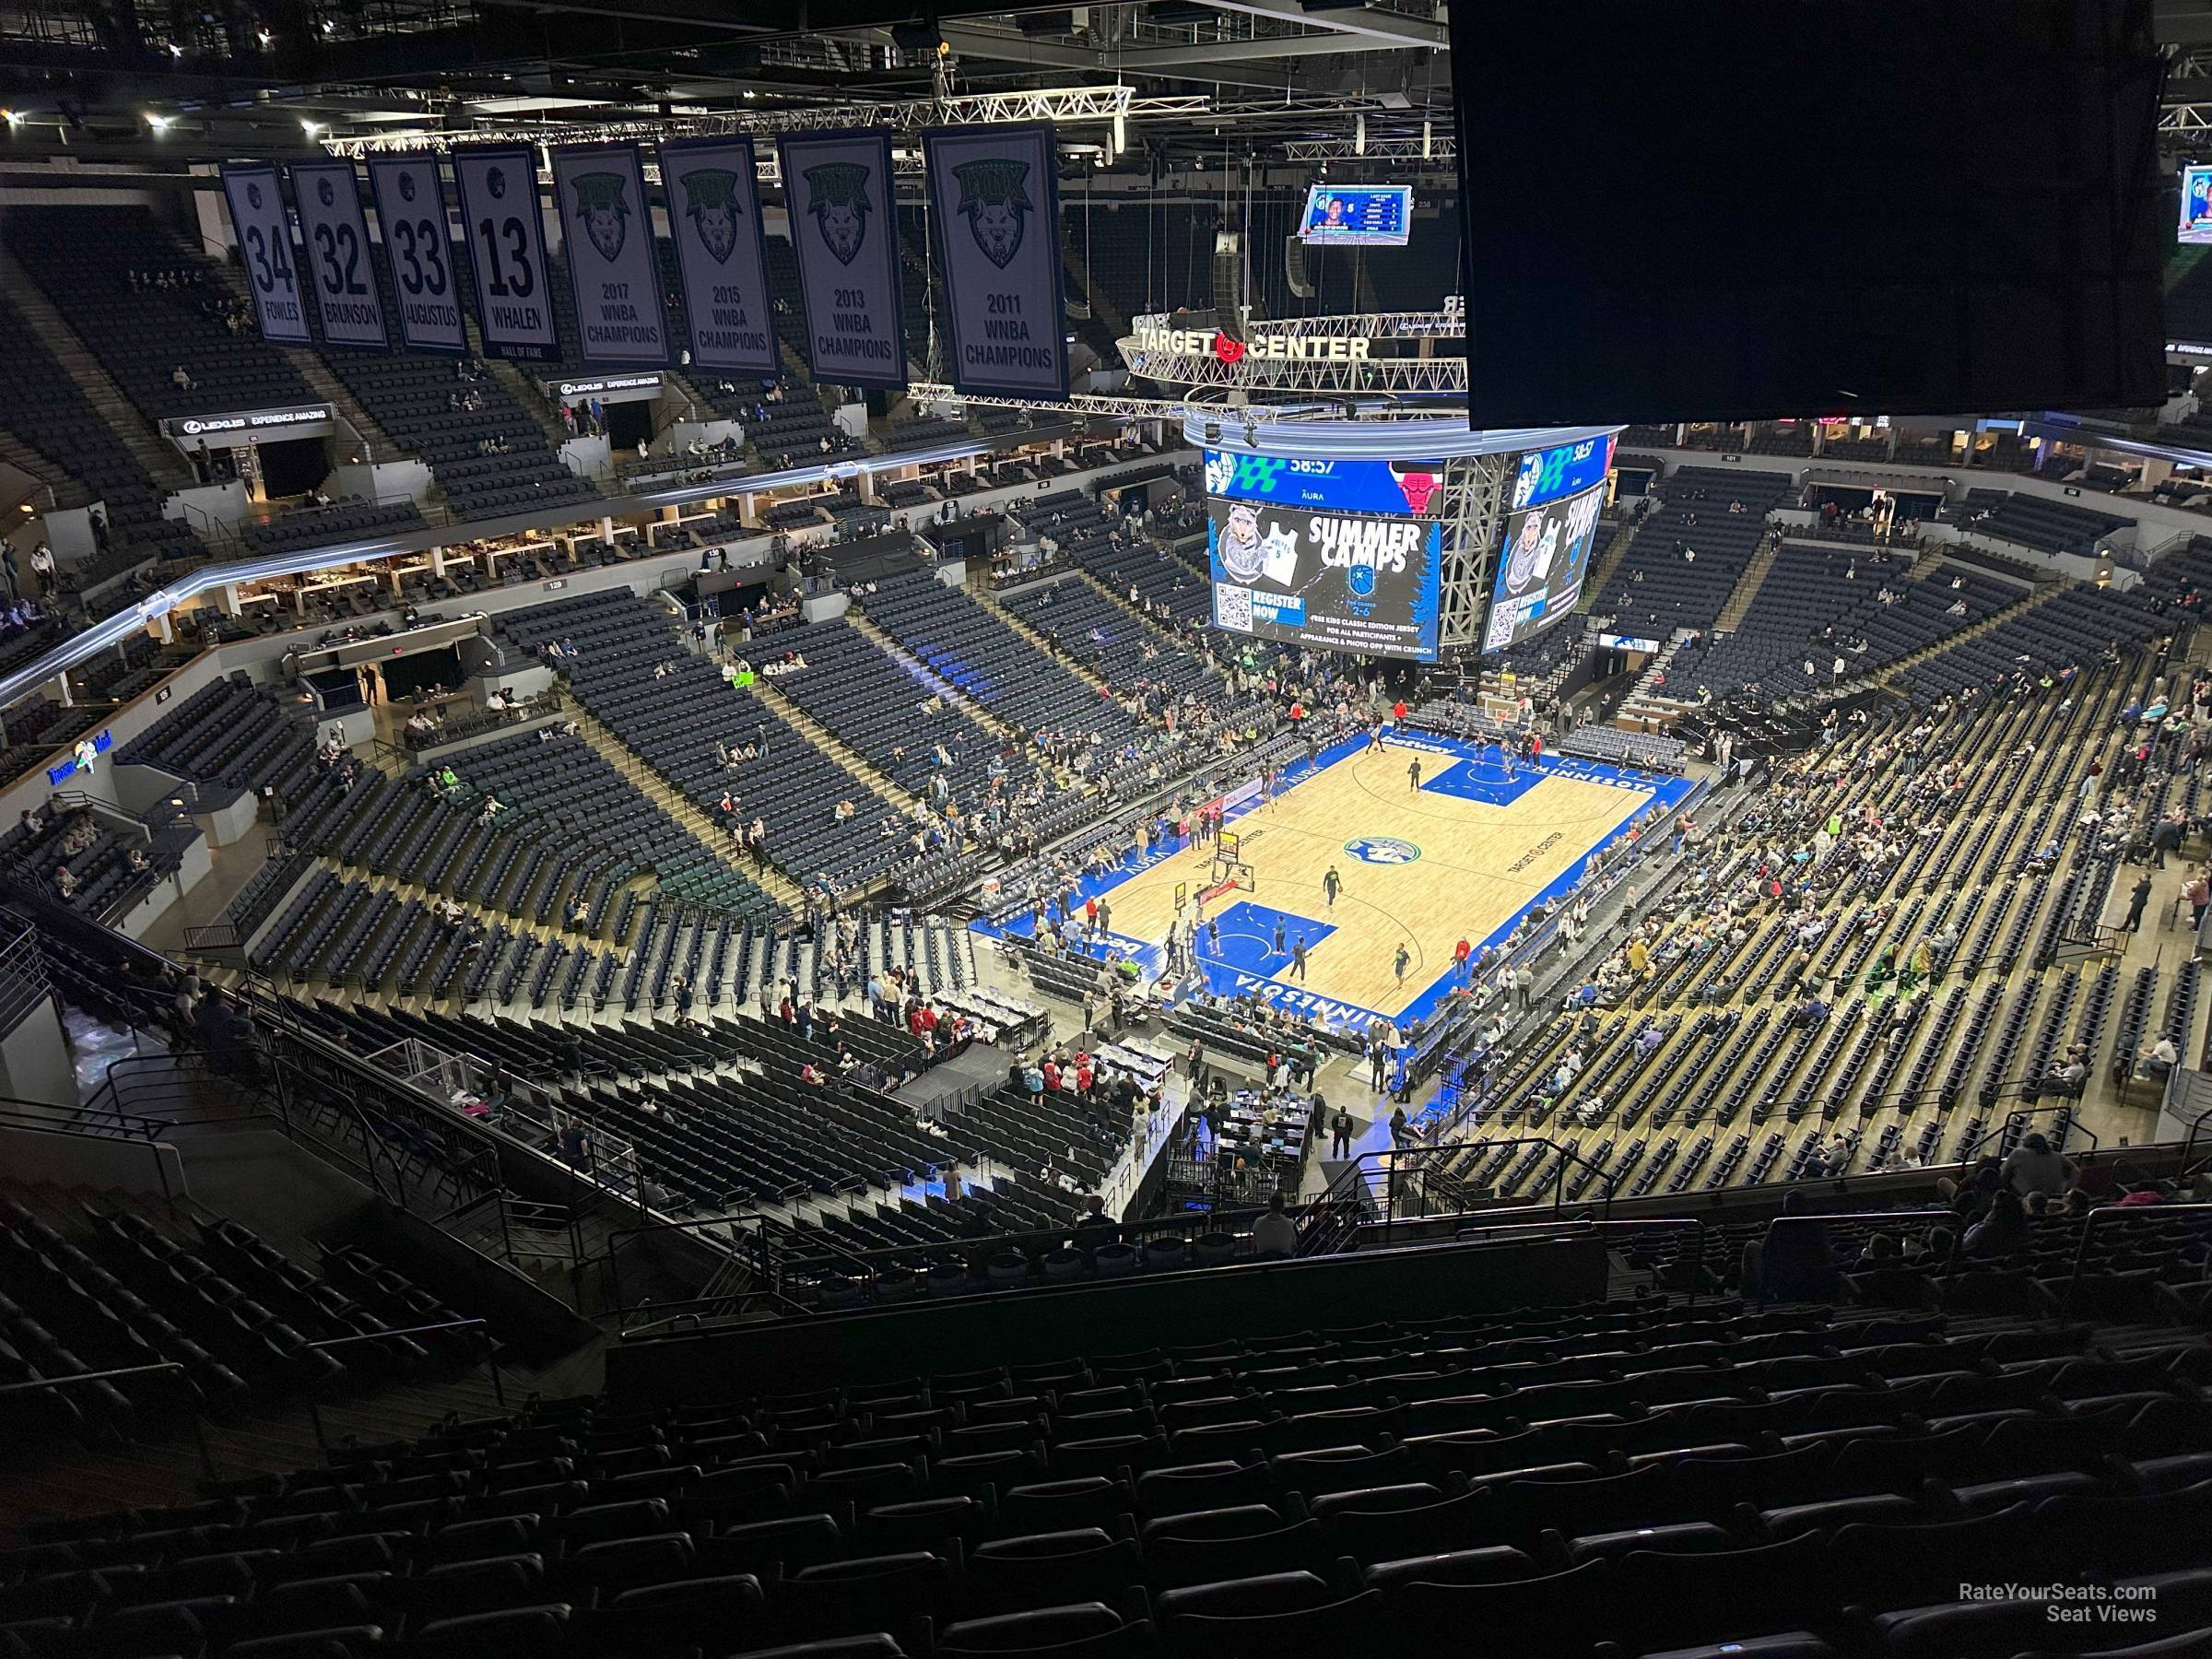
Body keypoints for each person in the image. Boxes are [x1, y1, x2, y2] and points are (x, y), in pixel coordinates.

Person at [1740, 1190, 1836, 1304]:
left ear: (1786, 1208)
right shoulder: (1818, 1226)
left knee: (1751, 1246)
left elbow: (1766, 1253)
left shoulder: (1779, 1226)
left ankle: (1751, 1294)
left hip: (1784, 1283)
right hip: (1813, 1282)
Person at [2000, 1132, 2076, 1199]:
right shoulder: (2058, 1156)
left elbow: (2004, 1174)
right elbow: (2076, 1172)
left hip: (2027, 1197)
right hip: (2054, 1197)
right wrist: (2065, 1190)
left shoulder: (2018, 1153)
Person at [1251, 1191, 1299, 1258]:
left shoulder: (1258, 1222)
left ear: (1269, 1205)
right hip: (1284, 1261)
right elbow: (1293, 1247)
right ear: (1283, 1207)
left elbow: (1255, 1246)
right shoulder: (1291, 1224)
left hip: (1263, 1261)